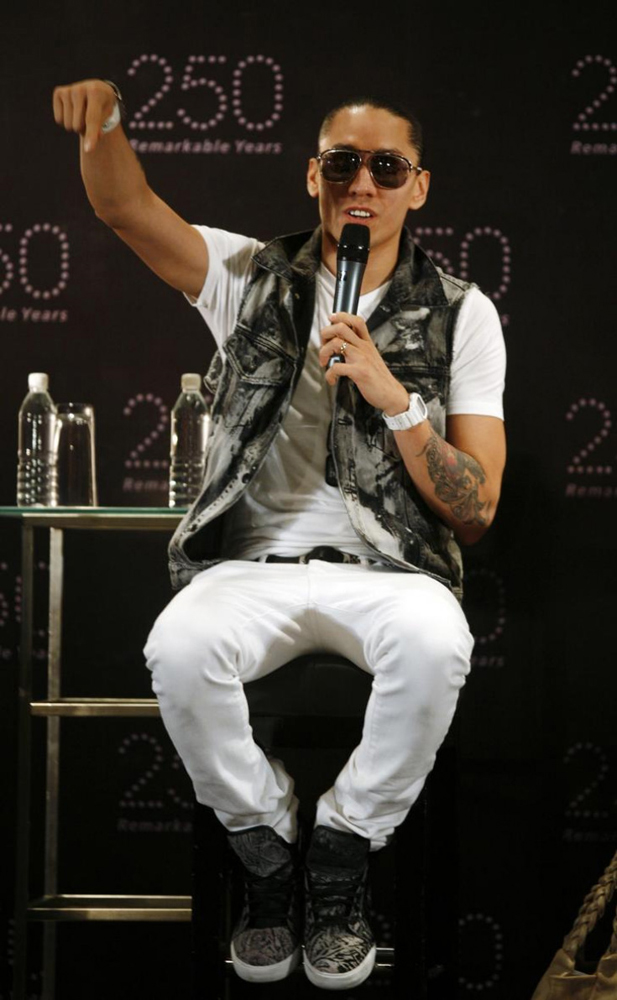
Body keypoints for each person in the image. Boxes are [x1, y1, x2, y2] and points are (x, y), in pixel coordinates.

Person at [53, 79, 506, 991]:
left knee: (435, 645)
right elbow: (125, 208)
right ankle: (263, 843)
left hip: (390, 569)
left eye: (386, 167)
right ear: (312, 177)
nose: (361, 184)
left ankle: (341, 851)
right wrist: (105, 125)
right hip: (252, 565)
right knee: (178, 648)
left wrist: (395, 398)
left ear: (417, 186)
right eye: (342, 164)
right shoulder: (248, 275)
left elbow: (476, 505)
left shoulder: (461, 312)